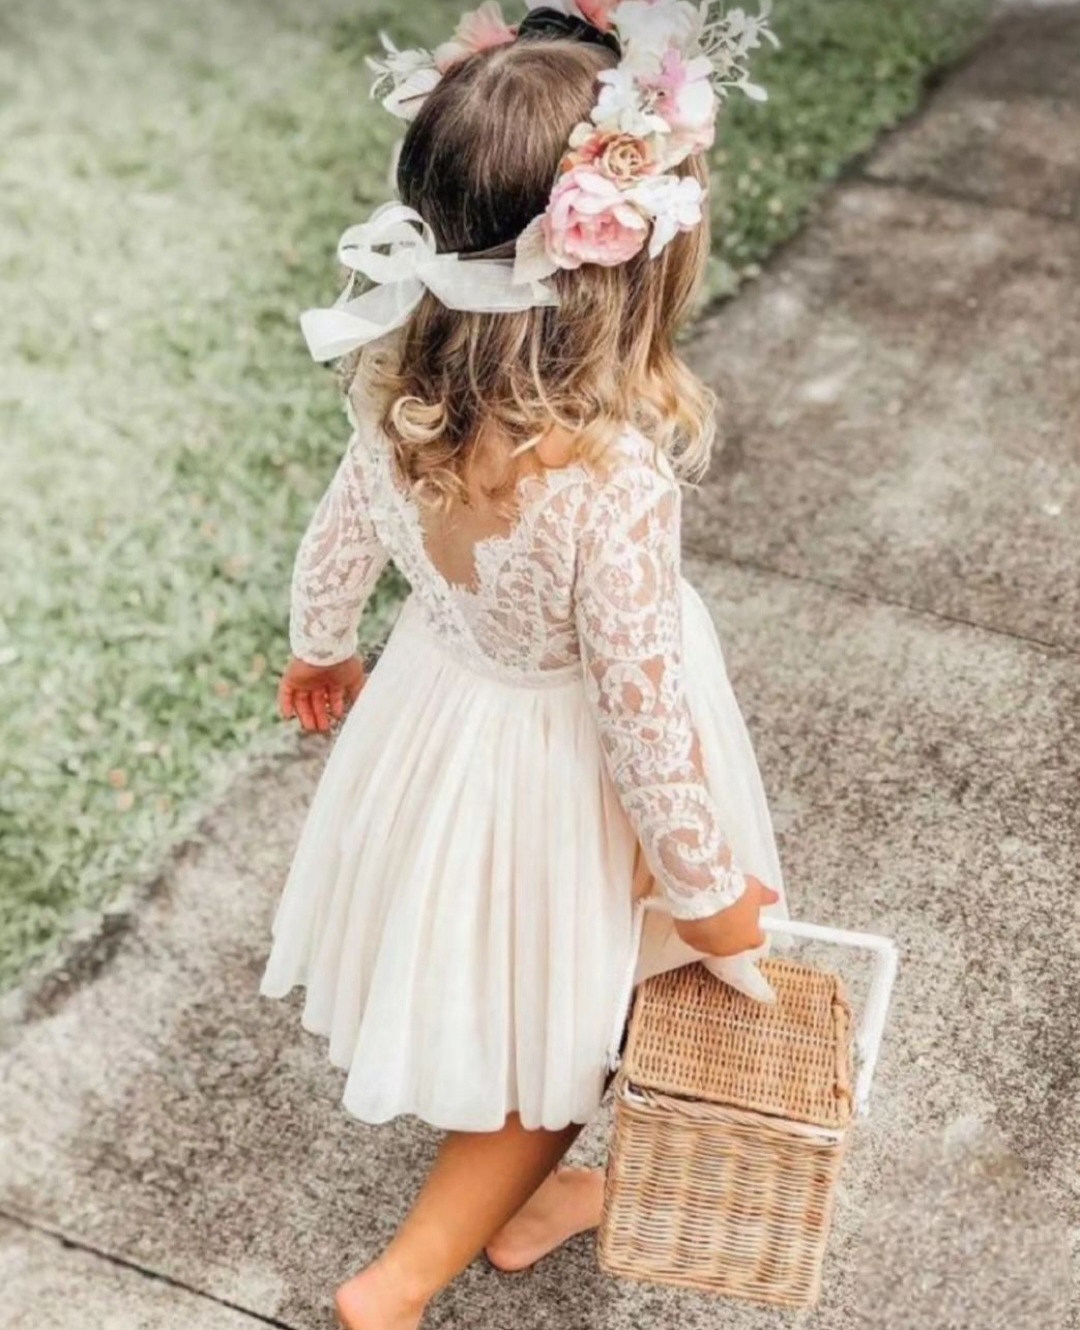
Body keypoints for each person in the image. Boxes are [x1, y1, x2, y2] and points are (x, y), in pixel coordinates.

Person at [259, 4, 784, 1327]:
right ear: (631, 267)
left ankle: (539, 1198)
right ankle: (398, 1282)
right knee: (585, 1015)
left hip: (441, 716)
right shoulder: (612, 481)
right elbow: (644, 722)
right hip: (562, 780)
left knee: (532, 997)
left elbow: (340, 531)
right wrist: (708, 891)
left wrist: (322, 644)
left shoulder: (398, 387)